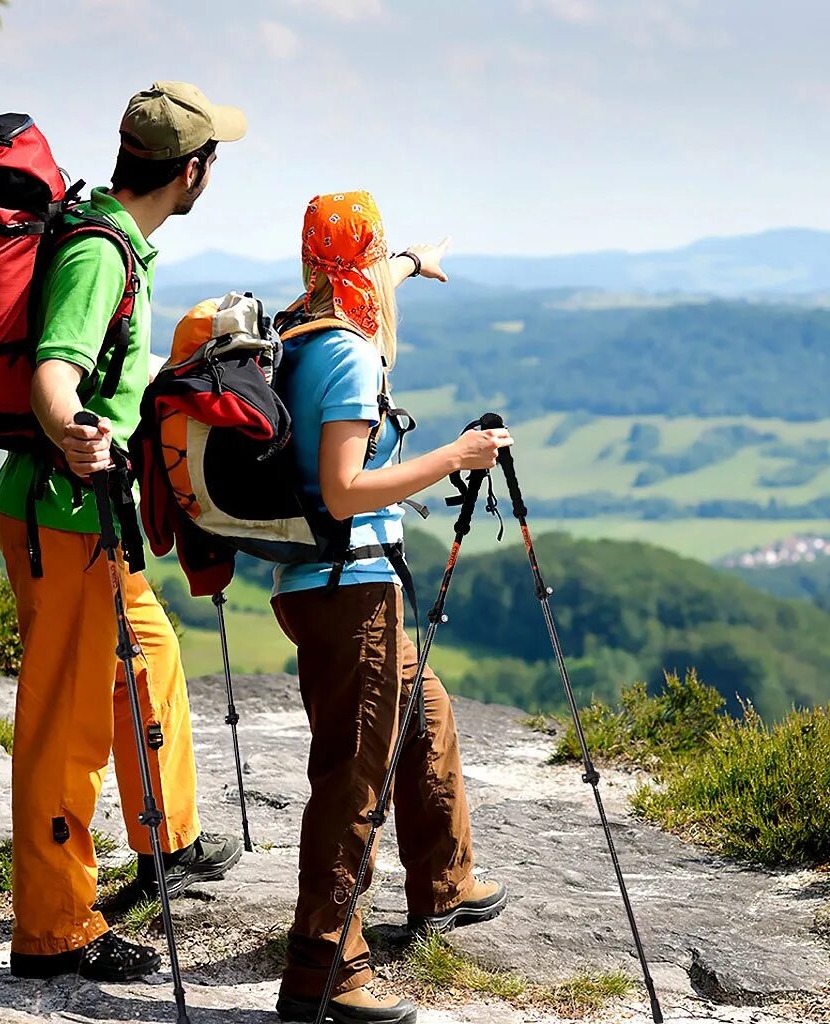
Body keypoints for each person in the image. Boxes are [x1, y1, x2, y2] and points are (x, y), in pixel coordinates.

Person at [0, 82, 247, 982]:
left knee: (150, 651)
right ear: (192, 172)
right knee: (65, 719)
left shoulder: (115, 237)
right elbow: (56, 369)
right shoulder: (100, 255)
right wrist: (72, 428)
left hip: (84, 512)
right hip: (62, 516)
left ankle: (165, 839)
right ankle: (55, 930)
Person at [270, 192, 513, 1024]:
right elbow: (342, 490)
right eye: (379, 260)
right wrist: (458, 453)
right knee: (351, 779)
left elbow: (370, 277)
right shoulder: (348, 357)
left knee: (425, 706)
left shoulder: (300, 325)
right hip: (350, 588)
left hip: (316, 585)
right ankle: (325, 970)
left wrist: (414, 259)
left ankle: (443, 885)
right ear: (357, 265)